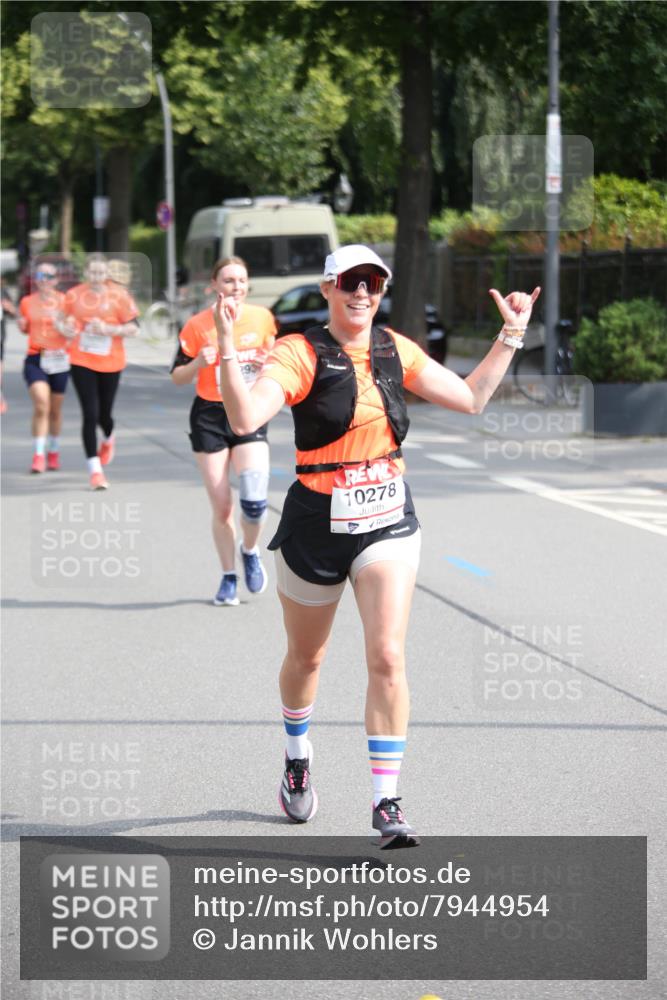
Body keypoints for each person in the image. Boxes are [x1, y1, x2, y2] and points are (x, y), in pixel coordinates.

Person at [212, 244, 540, 847]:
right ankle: (297, 754)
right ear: (329, 287)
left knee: (388, 656)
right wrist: (229, 348)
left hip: (386, 514)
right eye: (352, 282)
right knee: (306, 660)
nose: (363, 293)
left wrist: (510, 335)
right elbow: (243, 417)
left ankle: (387, 801)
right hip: (316, 519)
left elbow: (471, 398)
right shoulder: (299, 352)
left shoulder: (394, 348)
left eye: (374, 283)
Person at [171, 256, 277, 606]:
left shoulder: (261, 318)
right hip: (209, 416)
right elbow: (176, 376)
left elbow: (276, 358)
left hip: (247, 411)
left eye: (242, 281)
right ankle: (228, 576)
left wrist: (267, 365)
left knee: (255, 497)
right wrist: (199, 362)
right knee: (222, 507)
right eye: (228, 281)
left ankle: (249, 549)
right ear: (214, 286)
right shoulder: (198, 325)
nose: (236, 287)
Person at [63, 255, 139, 490]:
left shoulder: (119, 296)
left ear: (106, 274)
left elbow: (134, 327)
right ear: (86, 273)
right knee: (90, 413)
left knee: (104, 415)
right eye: (92, 273)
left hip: (111, 362)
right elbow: (64, 320)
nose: (96, 277)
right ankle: (95, 470)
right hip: (81, 359)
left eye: (101, 273)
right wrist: (66, 327)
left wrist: (108, 328)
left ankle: (108, 437)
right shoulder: (74, 295)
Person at [17, 262, 69, 472]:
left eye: (49, 276)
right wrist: (22, 325)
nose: (44, 280)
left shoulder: (65, 302)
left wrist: (62, 325)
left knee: (55, 411)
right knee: (41, 404)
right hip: (36, 357)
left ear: (56, 280)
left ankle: (53, 451)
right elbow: (25, 327)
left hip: (59, 359)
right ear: (36, 279)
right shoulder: (27, 301)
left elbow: (73, 330)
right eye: (40, 275)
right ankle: (38, 455)